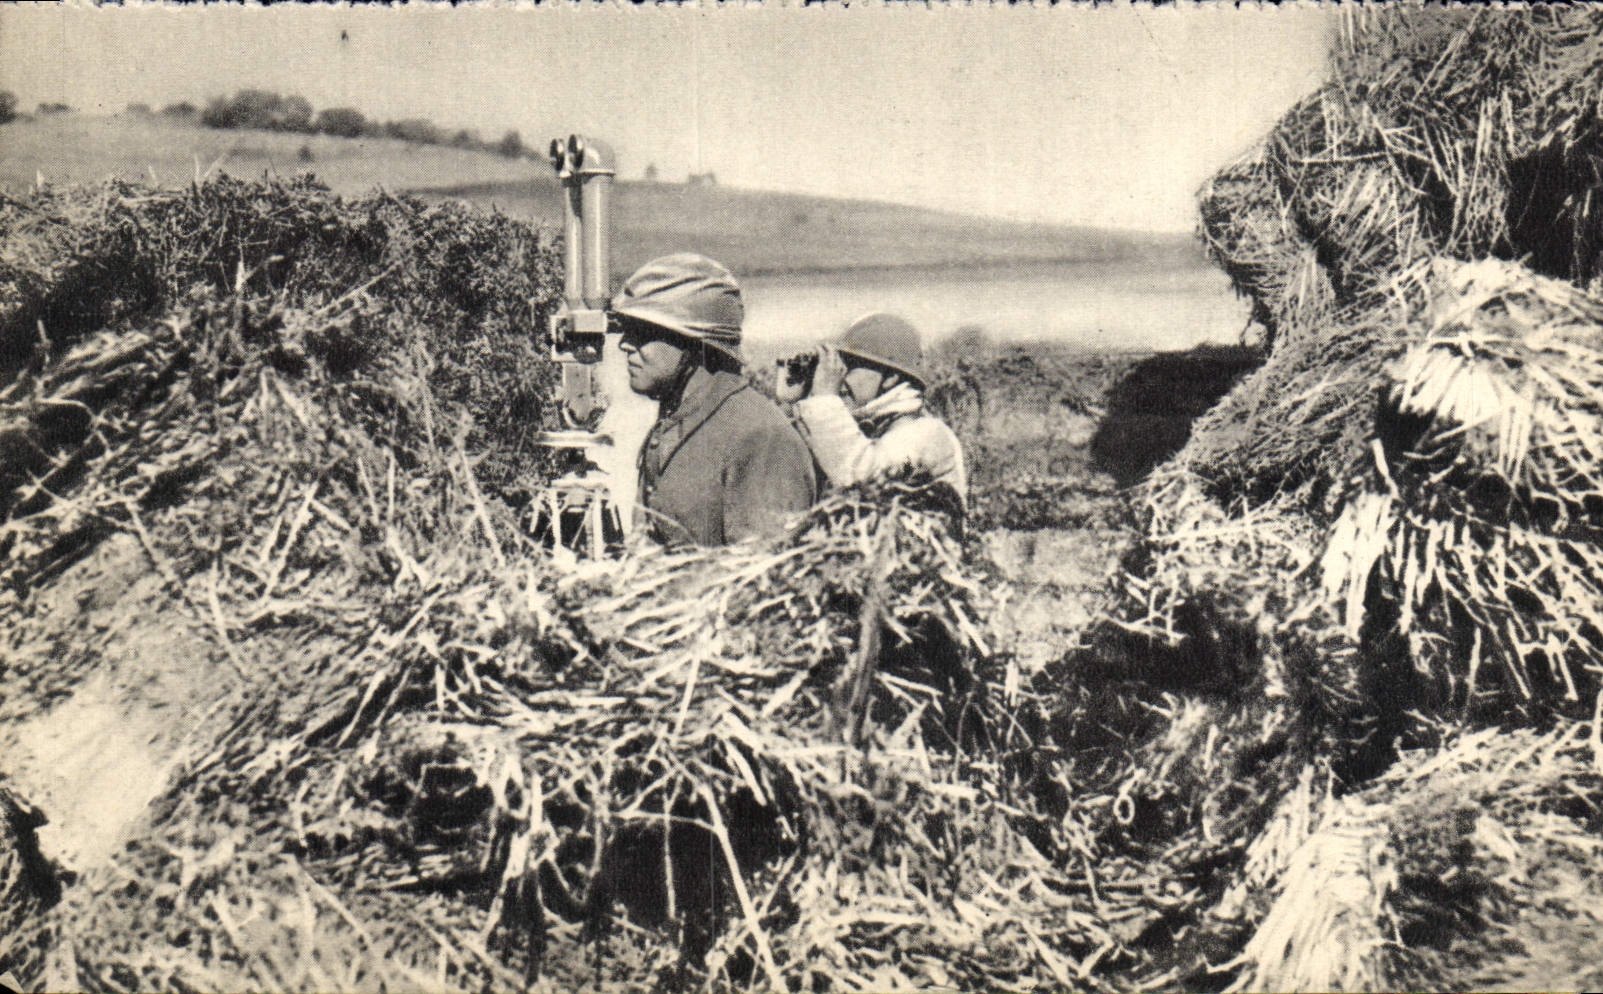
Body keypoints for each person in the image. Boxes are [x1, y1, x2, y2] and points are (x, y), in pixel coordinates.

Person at [613, 253, 817, 547]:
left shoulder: (761, 437)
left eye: (643, 333)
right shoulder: (680, 419)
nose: (624, 344)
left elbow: (762, 576)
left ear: (696, 343)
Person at [778, 312, 967, 508]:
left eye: (851, 365)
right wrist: (793, 404)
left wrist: (824, 400)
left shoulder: (927, 433)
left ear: (891, 377)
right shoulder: (872, 426)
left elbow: (861, 479)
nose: (840, 375)